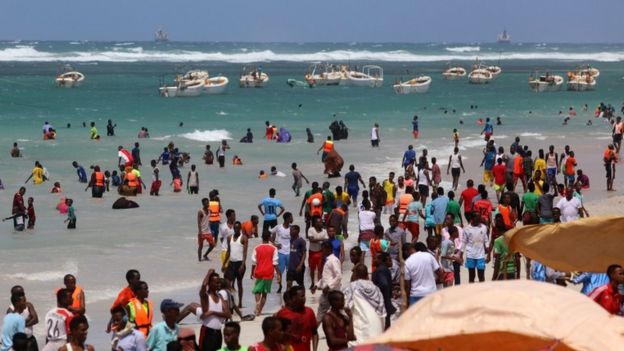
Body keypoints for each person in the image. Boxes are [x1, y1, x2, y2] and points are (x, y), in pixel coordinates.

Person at [344, 264, 387, 336]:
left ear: (355, 274)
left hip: (361, 328)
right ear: (367, 274)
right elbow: (382, 308)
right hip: (376, 325)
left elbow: (346, 306)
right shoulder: (376, 289)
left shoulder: (352, 287)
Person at [275, 286, 318, 351]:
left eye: (304, 295)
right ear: (293, 298)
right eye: (302, 296)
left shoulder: (309, 312)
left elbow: (314, 333)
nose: (305, 298)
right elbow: (276, 336)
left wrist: (314, 349)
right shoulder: (282, 314)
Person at [251, 232, 278, 316]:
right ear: (269, 237)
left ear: (262, 237)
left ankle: (257, 303)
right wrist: (279, 273)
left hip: (259, 271)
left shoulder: (257, 248)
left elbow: (253, 262)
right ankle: (260, 310)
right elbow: (275, 262)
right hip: (269, 272)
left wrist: (252, 272)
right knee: (265, 293)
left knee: (257, 290)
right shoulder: (273, 248)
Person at [315, 241, 342, 324]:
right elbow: (326, 277)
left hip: (331, 292)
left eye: (323, 249)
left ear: (327, 249)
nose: (322, 251)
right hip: (329, 291)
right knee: (336, 313)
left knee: (321, 314)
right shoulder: (328, 260)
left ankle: (312, 333)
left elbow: (339, 276)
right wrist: (317, 285)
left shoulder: (333, 261)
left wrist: (329, 286)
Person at [223, 221, 248, 308]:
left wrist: (243, 264)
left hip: (240, 263)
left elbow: (245, 253)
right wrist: (224, 263)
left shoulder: (244, 238)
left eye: (238, 228)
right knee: (228, 283)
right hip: (231, 263)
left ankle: (240, 302)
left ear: (240, 228)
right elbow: (228, 251)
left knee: (239, 283)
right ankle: (231, 301)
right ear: (233, 228)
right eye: (235, 228)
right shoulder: (229, 237)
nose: (236, 229)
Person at [461, 213, 490, 283]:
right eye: (478, 217)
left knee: (481, 276)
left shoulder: (483, 227)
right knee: (472, 275)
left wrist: (488, 254)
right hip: (470, 255)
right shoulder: (466, 229)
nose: (480, 218)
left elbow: (486, 240)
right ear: (472, 219)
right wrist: (461, 254)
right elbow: (464, 242)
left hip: (480, 255)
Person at [270, 212, 293, 293]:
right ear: (286, 219)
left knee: (289, 271)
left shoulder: (292, 228)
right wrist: (275, 244)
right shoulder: (278, 227)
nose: (292, 219)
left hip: (289, 253)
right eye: (291, 217)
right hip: (281, 253)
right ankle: (280, 286)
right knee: (279, 271)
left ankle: (288, 287)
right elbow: (269, 235)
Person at [306, 218, 328, 291]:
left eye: (322, 222)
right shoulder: (311, 230)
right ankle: (312, 282)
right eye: (320, 222)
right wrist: (321, 240)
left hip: (320, 252)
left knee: (320, 269)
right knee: (312, 269)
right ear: (315, 224)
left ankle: (318, 283)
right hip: (312, 252)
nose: (322, 224)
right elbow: (311, 240)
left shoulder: (324, 231)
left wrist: (317, 240)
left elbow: (326, 241)